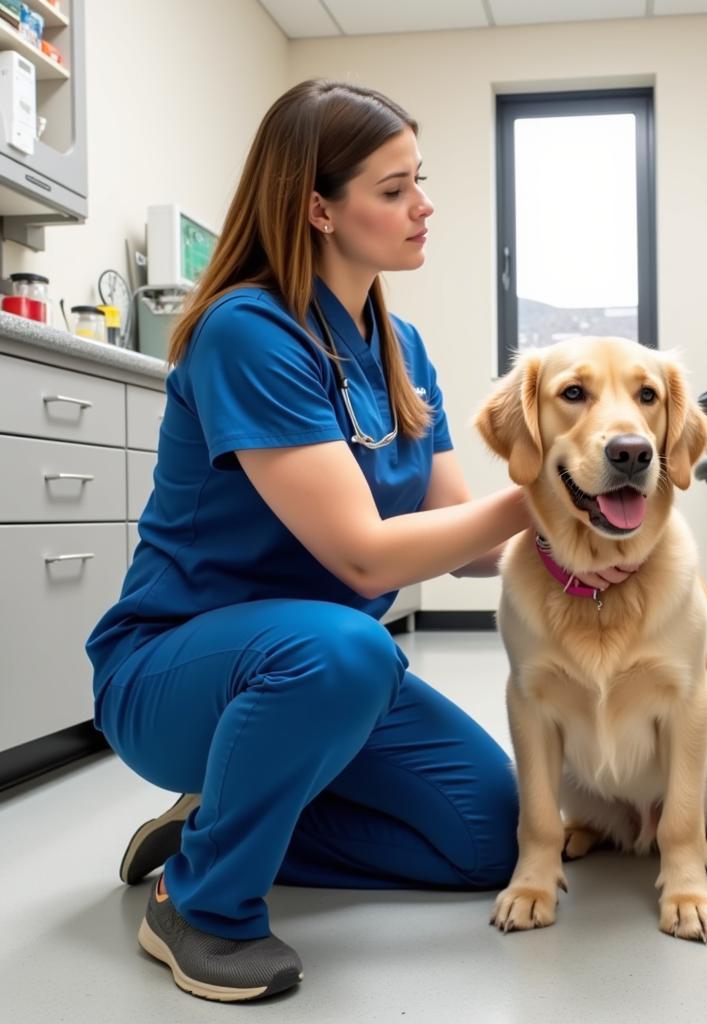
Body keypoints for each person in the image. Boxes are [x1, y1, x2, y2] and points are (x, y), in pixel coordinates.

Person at [86, 79, 638, 1003]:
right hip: (177, 672)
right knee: (345, 644)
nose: (423, 206)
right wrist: (557, 490)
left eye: (419, 180)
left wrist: (606, 557)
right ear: (318, 209)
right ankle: (203, 906)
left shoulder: (401, 346)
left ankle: (218, 819)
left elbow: (463, 542)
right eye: (392, 189)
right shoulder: (247, 333)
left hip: (326, 679)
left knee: (490, 835)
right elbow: (365, 556)